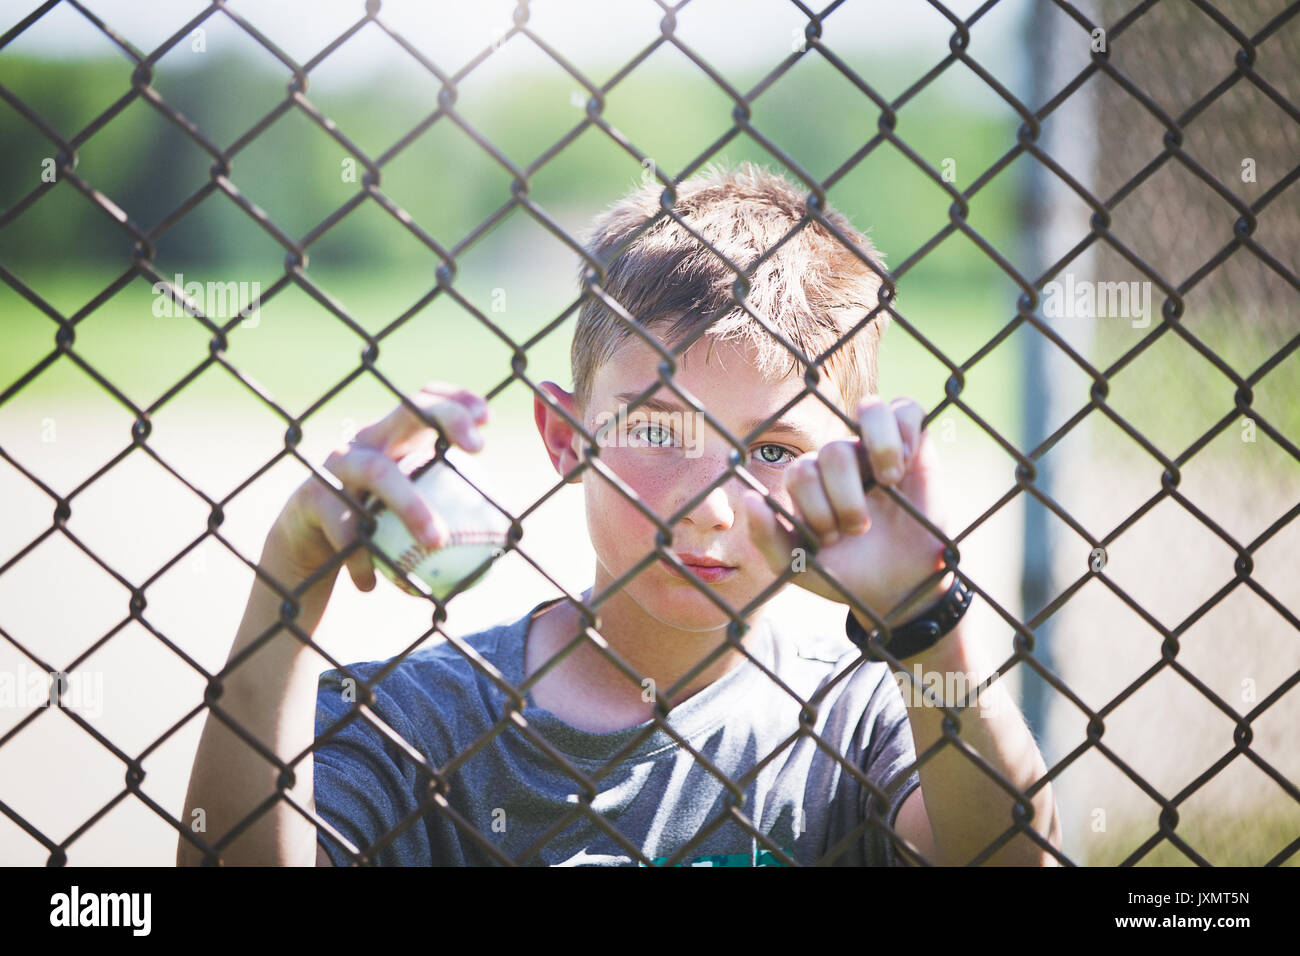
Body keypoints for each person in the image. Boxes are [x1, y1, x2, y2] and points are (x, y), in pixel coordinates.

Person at [178, 160, 1061, 867]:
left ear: (849, 468)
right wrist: (285, 594)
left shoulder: (868, 715)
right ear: (566, 437)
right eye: (656, 428)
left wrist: (922, 618)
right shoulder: (413, 723)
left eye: (775, 450)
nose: (710, 508)